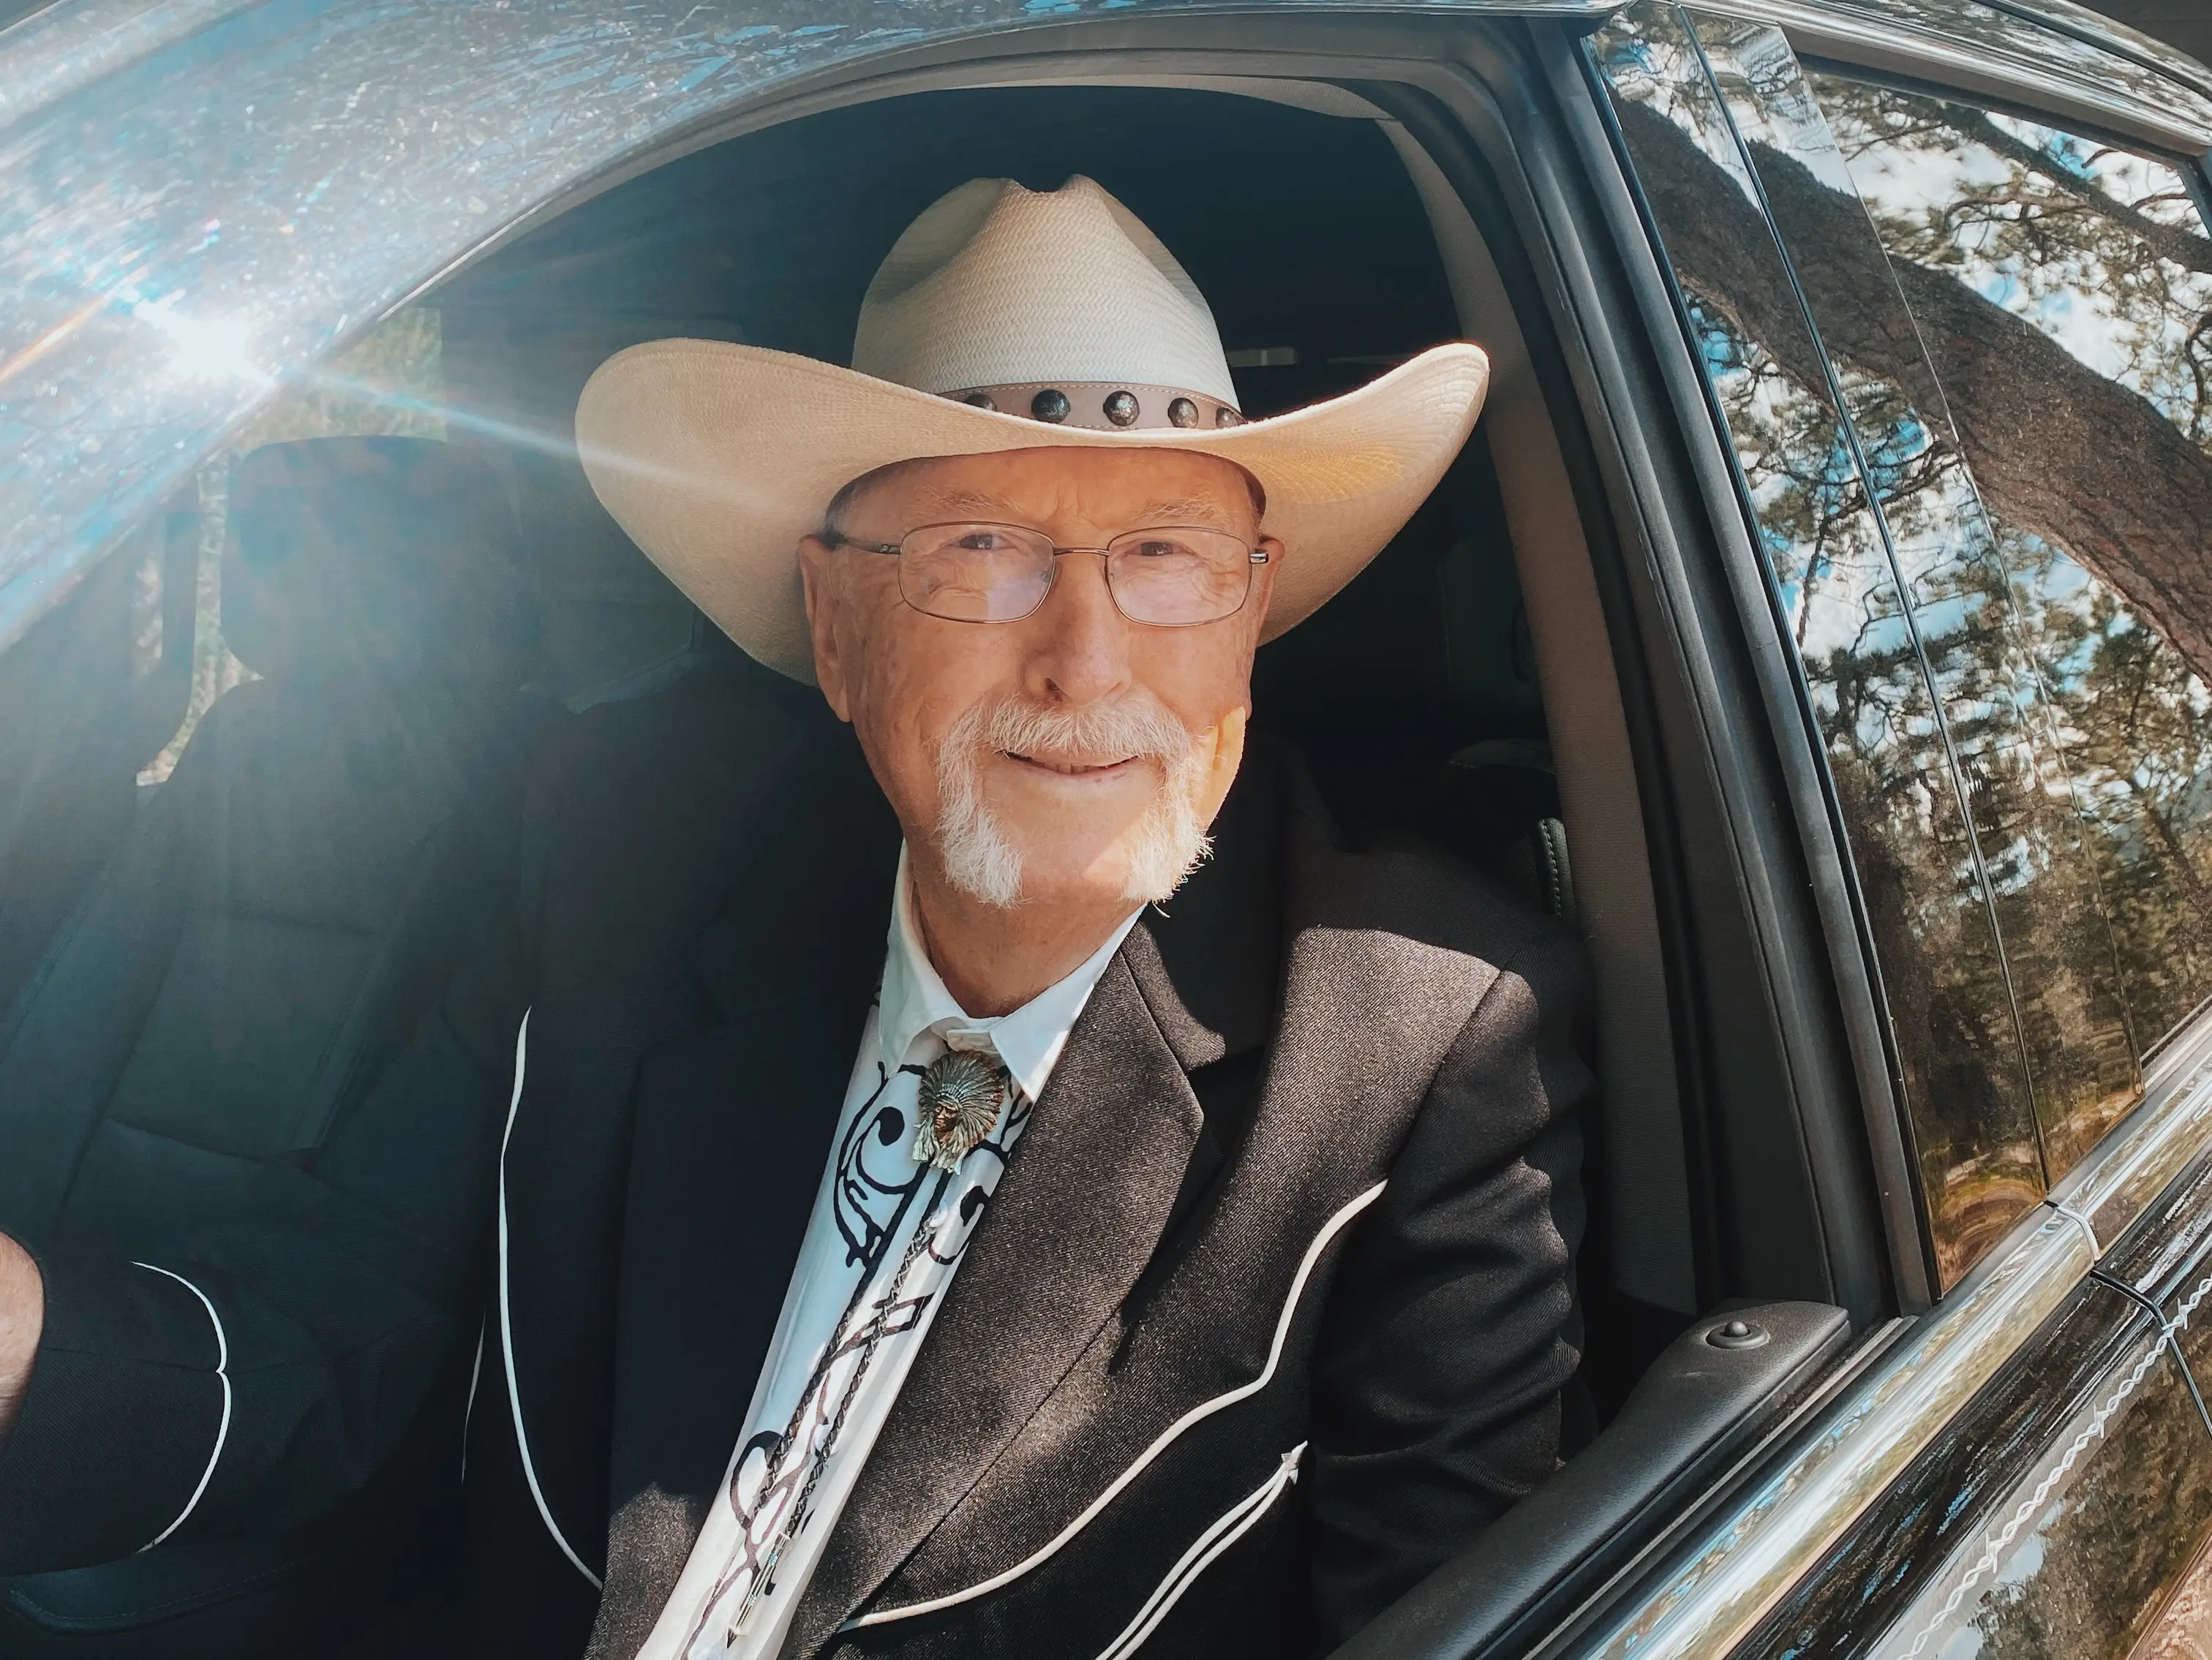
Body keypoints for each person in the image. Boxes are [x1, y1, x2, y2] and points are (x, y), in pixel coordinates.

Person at [0, 174, 1587, 1660]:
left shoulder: (1420, 1037)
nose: (1088, 664)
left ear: (1252, 608)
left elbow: (1448, 1611)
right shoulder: (625, 858)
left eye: (1164, 553)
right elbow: (342, 1324)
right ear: (834, 623)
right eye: (985, 551)